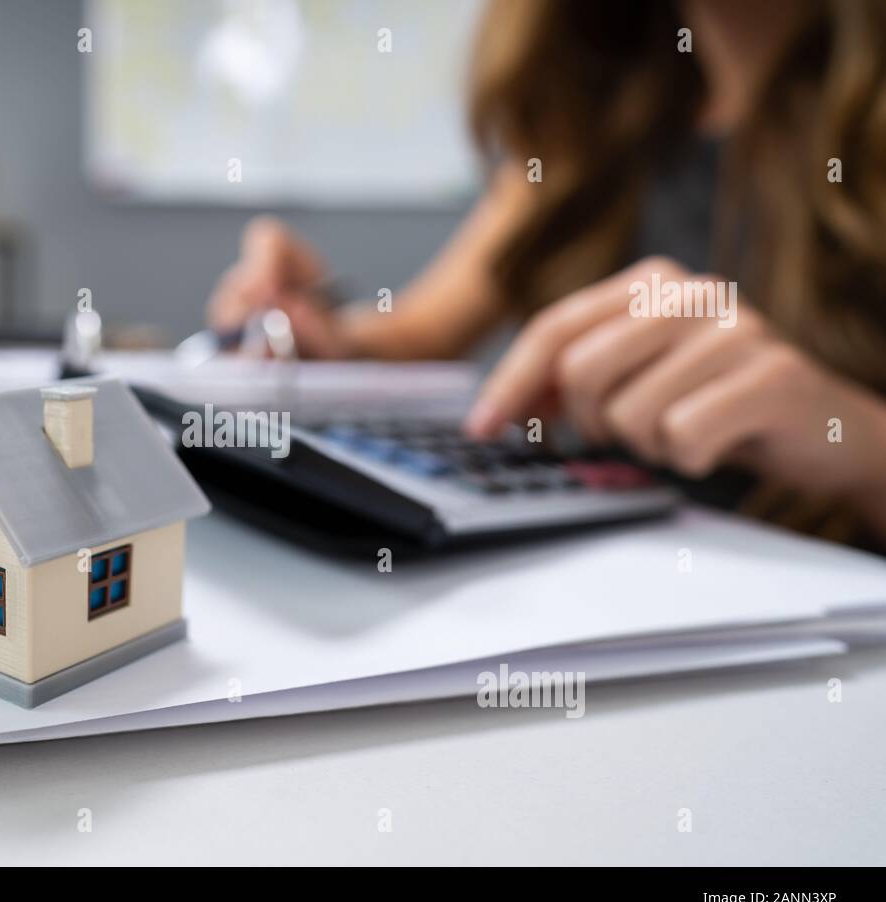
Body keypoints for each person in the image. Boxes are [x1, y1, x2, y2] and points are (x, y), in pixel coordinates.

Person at [206, 0, 886, 546]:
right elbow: (418, 330)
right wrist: (319, 328)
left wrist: (856, 440)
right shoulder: (591, 121)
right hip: (607, 581)